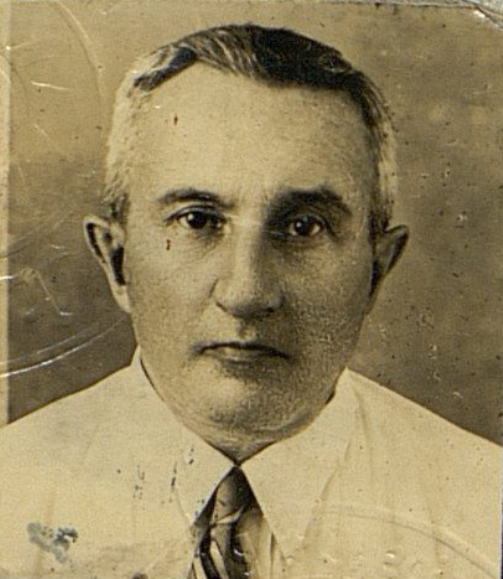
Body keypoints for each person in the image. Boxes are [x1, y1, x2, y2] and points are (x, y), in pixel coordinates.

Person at [0, 24, 500, 579]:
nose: (246, 293)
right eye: (197, 221)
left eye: (304, 226)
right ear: (117, 261)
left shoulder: (484, 513)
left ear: (376, 272)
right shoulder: (10, 497)